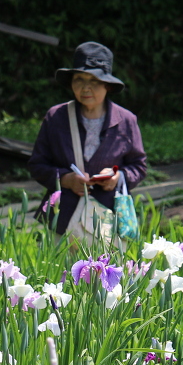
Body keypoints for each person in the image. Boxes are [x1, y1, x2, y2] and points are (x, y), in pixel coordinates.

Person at [29, 42, 146, 239]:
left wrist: (118, 178)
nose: (86, 87)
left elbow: (139, 166)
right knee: (61, 270)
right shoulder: (56, 117)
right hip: (63, 217)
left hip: (109, 220)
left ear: (107, 85)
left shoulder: (126, 120)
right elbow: (37, 164)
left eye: (94, 81)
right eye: (79, 79)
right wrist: (66, 179)